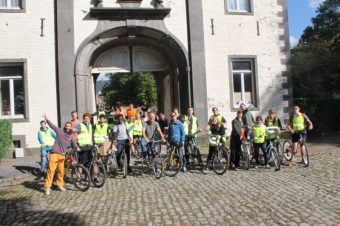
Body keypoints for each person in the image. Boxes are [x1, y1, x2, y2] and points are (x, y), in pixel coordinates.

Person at [42, 113, 80, 195]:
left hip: (62, 155)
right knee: (51, 171)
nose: (68, 127)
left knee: (61, 172)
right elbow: (52, 126)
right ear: (65, 126)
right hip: (54, 154)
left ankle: (59, 185)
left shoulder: (71, 135)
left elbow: (73, 142)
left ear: (71, 127)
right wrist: (47, 119)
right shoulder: (59, 131)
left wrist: (77, 147)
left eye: (69, 126)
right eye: (67, 126)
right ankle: (47, 187)